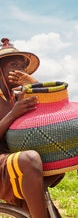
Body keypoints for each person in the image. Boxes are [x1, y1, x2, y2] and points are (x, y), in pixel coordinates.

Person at [0, 38, 49, 217]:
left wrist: (33, 83)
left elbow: (52, 112)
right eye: (14, 65)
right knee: (30, 160)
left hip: (11, 158)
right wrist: (13, 114)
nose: (20, 71)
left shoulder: (18, 96)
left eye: (22, 67)